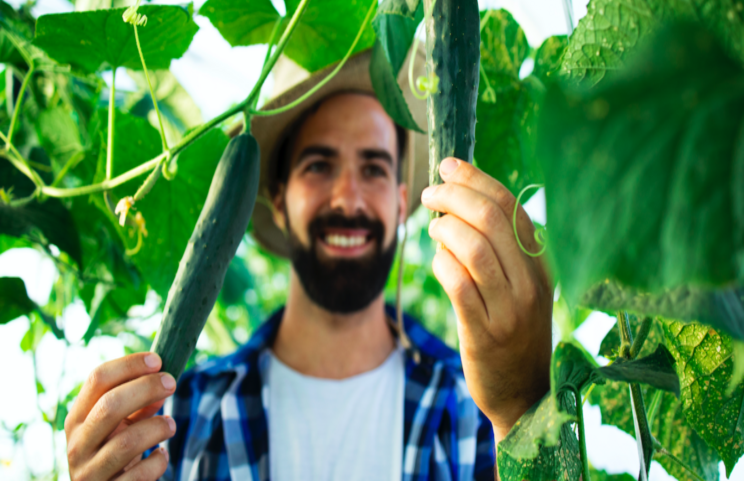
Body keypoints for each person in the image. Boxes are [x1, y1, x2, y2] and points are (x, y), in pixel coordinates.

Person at [63, 48, 553, 481]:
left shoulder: (477, 410)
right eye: (319, 165)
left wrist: (522, 411)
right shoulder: (179, 420)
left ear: (403, 202)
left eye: (373, 168)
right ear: (278, 199)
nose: (348, 197)